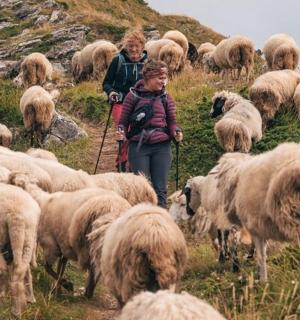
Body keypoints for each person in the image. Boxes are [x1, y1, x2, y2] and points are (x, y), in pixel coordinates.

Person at [117, 60, 183, 208]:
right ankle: (141, 223)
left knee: (161, 189)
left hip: (162, 147)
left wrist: (176, 132)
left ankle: (162, 224)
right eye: (160, 78)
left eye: (165, 78)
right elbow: (123, 122)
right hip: (138, 147)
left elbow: (172, 122)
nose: (163, 81)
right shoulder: (132, 96)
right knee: (142, 190)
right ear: (149, 77)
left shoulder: (166, 98)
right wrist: (120, 132)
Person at [102, 30, 147, 172]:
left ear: (142, 47)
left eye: (137, 46)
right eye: (130, 46)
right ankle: (121, 162)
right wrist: (111, 92)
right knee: (124, 132)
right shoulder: (118, 60)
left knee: (138, 133)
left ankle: (135, 163)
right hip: (120, 102)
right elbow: (106, 83)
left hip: (140, 103)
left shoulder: (147, 62)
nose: (133, 49)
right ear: (126, 46)